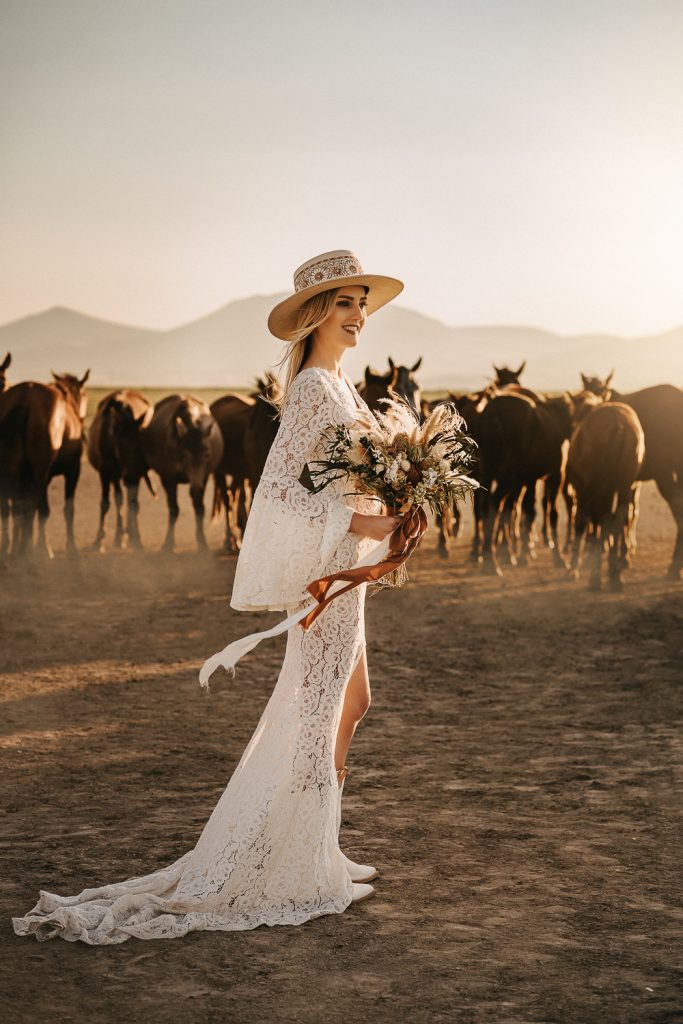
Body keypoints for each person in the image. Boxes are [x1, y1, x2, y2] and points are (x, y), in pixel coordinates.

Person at [12, 249, 404, 944]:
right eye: (343, 303)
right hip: (330, 565)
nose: (357, 314)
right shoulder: (315, 387)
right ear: (315, 314)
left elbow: (337, 476)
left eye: (361, 302)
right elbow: (281, 490)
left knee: (350, 700)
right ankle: (303, 860)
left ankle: (322, 844)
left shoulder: (341, 385)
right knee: (318, 708)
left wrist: (395, 504)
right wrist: (358, 520)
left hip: (346, 565)